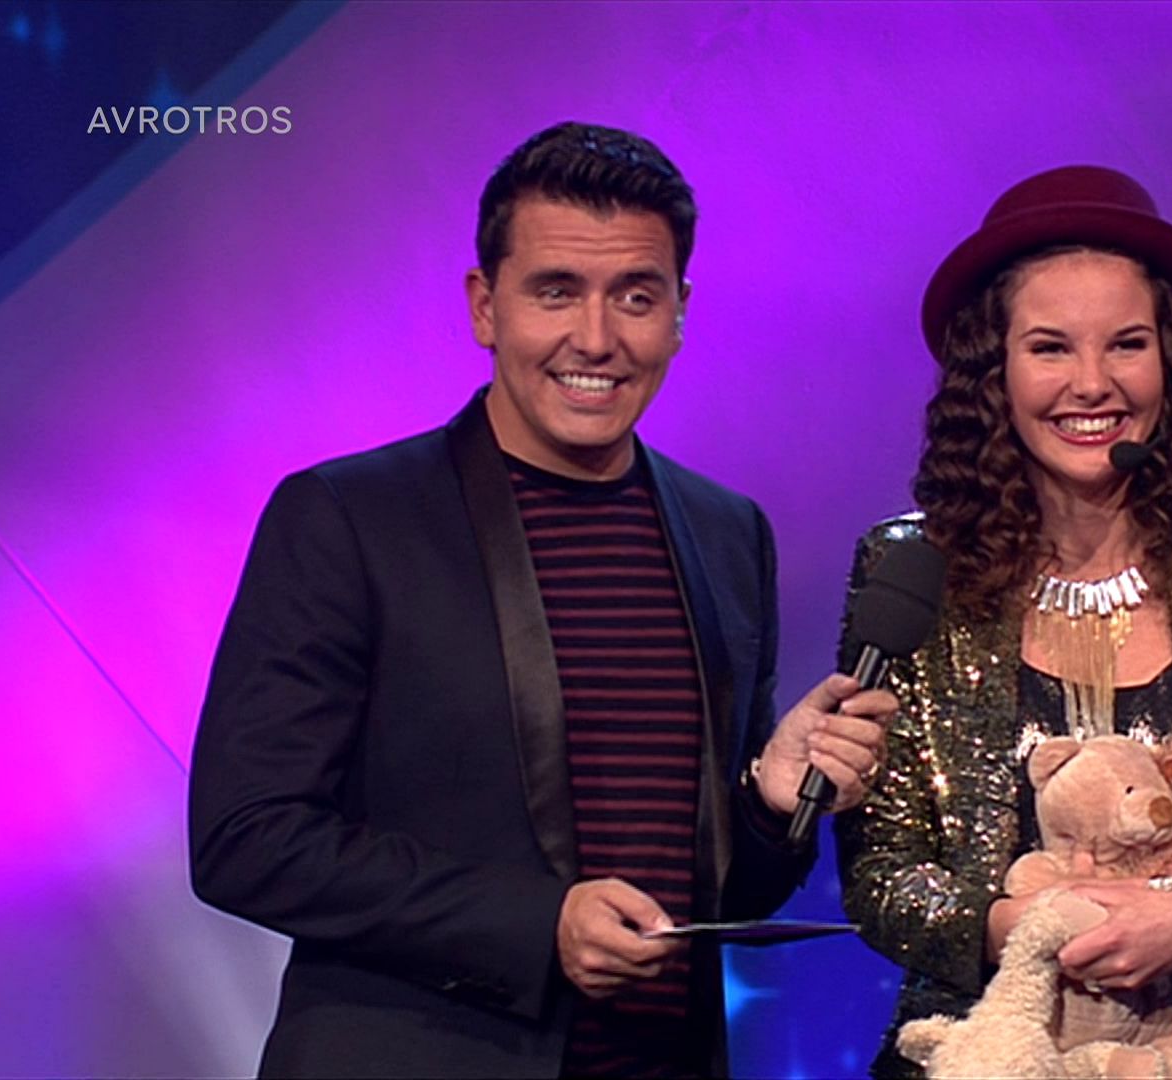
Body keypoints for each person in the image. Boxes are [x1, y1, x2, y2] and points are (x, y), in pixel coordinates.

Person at [188, 121, 894, 1079]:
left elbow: (717, 892)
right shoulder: (348, 518)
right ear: (486, 306)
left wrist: (772, 804)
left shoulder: (729, 534)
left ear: (679, 313)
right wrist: (536, 924)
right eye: (556, 291)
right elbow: (246, 840)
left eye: (635, 296)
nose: (595, 339)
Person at [836, 165, 1172, 1078]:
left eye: (1127, 344)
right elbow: (883, 871)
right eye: (1049, 348)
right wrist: (1051, 930)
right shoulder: (911, 566)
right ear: (994, 374)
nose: (1091, 384)